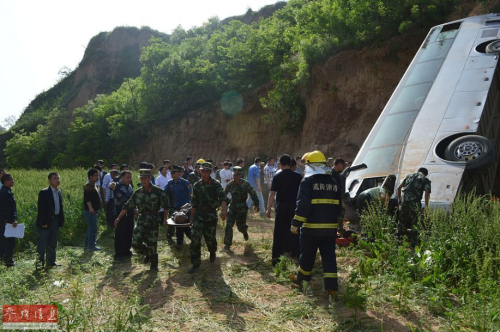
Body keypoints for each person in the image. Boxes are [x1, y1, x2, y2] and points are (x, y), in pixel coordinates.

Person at [289, 151, 341, 299]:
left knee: (307, 256)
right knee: (329, 257)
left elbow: (303, 205)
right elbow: (338, 206)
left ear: (311, 165)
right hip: (330, 229)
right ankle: (331, 289)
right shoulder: (333, 182)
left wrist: (296, 224)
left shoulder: (308, 182)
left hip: (311, 229)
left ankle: (302, 281)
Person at [115, 169, 170, 270]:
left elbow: (166, 206)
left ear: (150, 178)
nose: (143, 180)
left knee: (152, 243)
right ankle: (148, 254)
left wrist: (165, 219)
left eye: (145, 178)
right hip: (142, 220)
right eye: (141, 178)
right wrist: (118, 218)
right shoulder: (137, 192)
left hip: (153, 220)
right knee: (135, 243)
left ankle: (154, 264)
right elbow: (127, 206)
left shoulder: (158, 191)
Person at [189, 162, 228, 273]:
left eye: (206, 171)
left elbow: (223, 198)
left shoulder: (216, 184)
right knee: (195, 239)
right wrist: (192, 218)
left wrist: (224, 210)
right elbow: (194, 203)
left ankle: (212, 251)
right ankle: (195, 264)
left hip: (210, 215)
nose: (204, 174)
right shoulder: (196, 185)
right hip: (198, 216)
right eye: (202, 171)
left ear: (210, 172)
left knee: (210, 238)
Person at [266, 154, 303, 265]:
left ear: (280, 164)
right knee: (295, 231)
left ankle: (276, 258)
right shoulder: (298, 176)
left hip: (281, 207)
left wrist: (268, 209)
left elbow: (272, 193)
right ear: (290, 163)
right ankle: (296, 255)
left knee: (279, 233)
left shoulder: (277, 176)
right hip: (294, 207)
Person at [223, 166, 259, 251]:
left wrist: (256, 204)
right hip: (232, 206)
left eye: (238, 175)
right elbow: (224, 195)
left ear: (241, 175)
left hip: (242, 207)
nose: (236, 176)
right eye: (235, 175)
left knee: (240, 226)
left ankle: (244, 232)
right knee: (229, 225)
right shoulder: (230, 184)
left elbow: (253, 193)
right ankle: (227, 245)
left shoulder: (245, 184)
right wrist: (223, 206)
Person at [397, 167, 431, 247]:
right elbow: (427, 192)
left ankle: (399, 242)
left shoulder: (409, 176)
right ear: (426, 174)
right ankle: (414, 243)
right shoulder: (425, 180)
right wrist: (426, 205)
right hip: (414, 203)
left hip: (404, 201)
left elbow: (399, 188)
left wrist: (399, 200)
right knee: (415, 222)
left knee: (402, 221)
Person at [36, 172, 65, 268]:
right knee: (42, 243)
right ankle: (40, 264)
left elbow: (60, 207)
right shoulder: (44, 192)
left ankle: (51, 261)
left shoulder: (59, 191)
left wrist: (61, 220)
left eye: (58, 178)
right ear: (49, 180)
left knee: (53, 242)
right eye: (55, 178)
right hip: (46, 221)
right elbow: (41, 209)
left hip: (56, 220)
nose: (57, 180)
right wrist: (43, 222)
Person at [164, 166, 193, 246]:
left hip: (185, 208)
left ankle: (184, 241)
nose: (173, 174)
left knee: (184, 224)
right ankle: (180, 242)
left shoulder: (185, 182)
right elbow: (164, 193)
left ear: (179, 173)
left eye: (174, 172)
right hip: (175, 208)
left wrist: (190, 205)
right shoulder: (170, 183)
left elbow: (191, 193)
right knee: (178, 226)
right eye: (171, 173)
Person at [110, 170, 135, 260]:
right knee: (120, 233)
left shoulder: (129, 187)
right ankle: (119, 253)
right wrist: (111, 185)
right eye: (127, 177)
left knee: (129, 231)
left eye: (130, 177)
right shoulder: (117, 185)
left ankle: (126, 250)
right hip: (119, 212)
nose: (129, 179)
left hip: (130, 212)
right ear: (122, 177)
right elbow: (111, 185)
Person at [0, 174, 17, 267]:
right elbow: (8, 209)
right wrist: (12, 220)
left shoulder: (5, 191)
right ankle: (9, 262)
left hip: (4, 221)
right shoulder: (5, 193)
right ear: (6, 182)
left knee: (3, 242)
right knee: (9, 242)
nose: (13, 181)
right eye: (11, 179)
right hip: (7, 222)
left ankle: (5, 261)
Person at [84, 169, 102, 251]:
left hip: (94, 209)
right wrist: (91, 208)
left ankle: (87, 243)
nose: (97, 177)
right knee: (93, 228)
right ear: (90, 176)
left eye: (98, 175)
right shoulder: (88, 186)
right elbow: (87, 199)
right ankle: (91, 246)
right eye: (95, 175)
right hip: (90, 210)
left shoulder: (93, 185)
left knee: (90, 227)